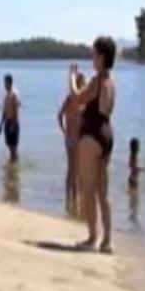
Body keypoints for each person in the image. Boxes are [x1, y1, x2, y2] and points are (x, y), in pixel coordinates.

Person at [68, 37, 116, 254]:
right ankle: (108, 240)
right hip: (106, 134)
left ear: (102, 57)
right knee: (103, 192)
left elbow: (77, 99)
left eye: (94, 54)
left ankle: (92, 237)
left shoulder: (97, 81)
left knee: (88, 190)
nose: (92, 58)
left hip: (92, 136)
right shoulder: (112, 82)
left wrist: (71, 79)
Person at [58, 71, 86, 216]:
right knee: (75, 170)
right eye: (83, 82)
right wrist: (64, 129)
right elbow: (59, 115)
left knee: (73, 170)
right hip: (74, 139)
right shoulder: (77, 100)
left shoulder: (72, 99)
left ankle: (71, 199)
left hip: (74, 138)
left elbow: (59, 115)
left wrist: (64, 129)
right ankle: (73, 199)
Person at [0, 73, 21, 162]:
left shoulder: (14, 95)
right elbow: (4, 111)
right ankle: (12, 165)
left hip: (13, 122)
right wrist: (0, 125)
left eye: (5, 83)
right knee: (9, 146)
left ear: (10, 83)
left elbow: (16, 111)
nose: (4, 85)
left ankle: (15, 165)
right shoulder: (6, 95)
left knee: (13, 148)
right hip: (7, 122)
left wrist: (13, 125)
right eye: (4, 83)